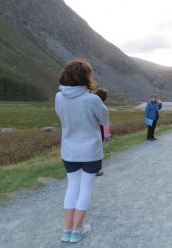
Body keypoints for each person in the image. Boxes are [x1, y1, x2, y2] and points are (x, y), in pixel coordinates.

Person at [55, 59, 109, 243]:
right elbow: (103, 119)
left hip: (69, 151)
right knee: (85, 188)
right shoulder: (92, 99)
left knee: (72, 187)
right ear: (85, 77)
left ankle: (67, 230)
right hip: (90, 151)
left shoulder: (58, 97)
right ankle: (78, 230)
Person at [94, 88, 111, 176]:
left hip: (90, 128)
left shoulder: (89, 104)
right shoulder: (103, 107)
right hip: (99, 128)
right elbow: (105, 123)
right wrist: (107, 135)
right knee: (98, 148)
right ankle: (97, 170)